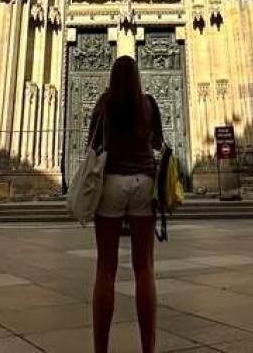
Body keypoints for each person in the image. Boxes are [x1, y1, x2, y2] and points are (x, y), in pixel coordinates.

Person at [89, 56, 164, 353]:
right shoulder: (149, 104)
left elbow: (92, 144)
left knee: (105, 268)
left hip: (111, 182)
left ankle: (101, 350)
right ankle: (148, 349)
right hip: (143, 182)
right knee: (144, 268)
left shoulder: (104, 104)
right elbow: (158, 144)